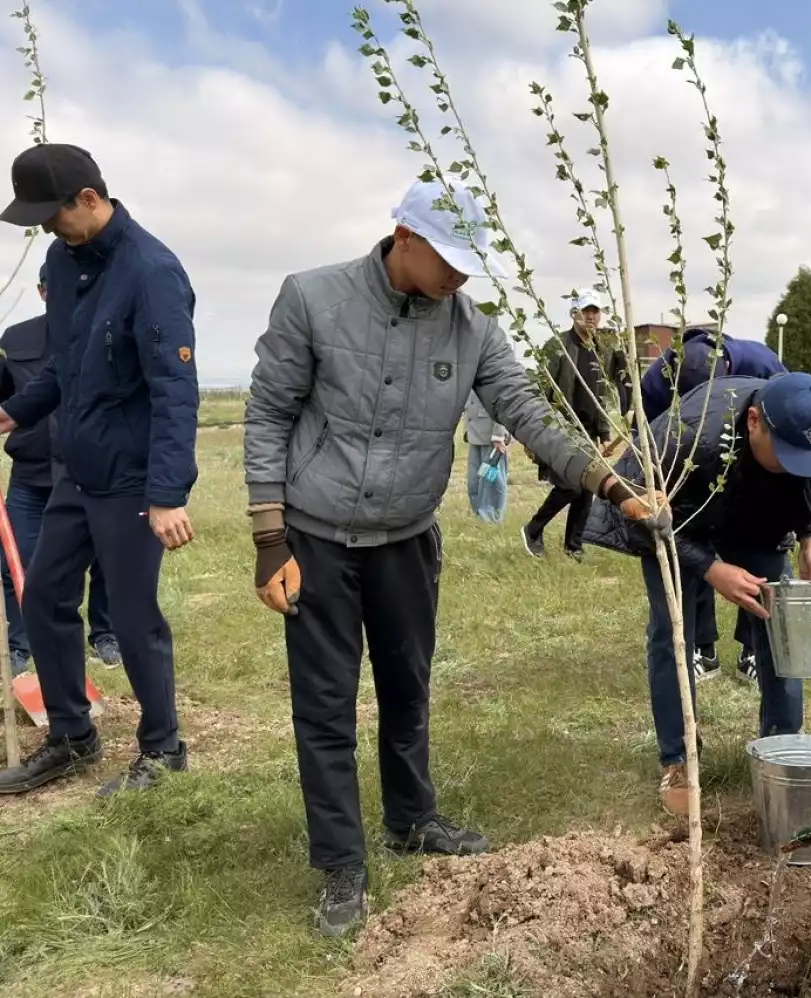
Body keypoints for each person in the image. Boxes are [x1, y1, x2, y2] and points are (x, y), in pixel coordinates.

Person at [243, 178, 666, 937]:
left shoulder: (472, 329)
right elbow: (269, 413)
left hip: (407, 539)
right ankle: (341, 865)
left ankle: (412, 819)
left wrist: (608, 482)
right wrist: (270, 536)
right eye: (449, 260)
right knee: (327, 707)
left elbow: (528, 412)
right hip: (316, 535)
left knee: (408, 689)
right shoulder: (311, 299)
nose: (459, 278)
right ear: (405, 236)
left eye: (471, 265)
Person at [0, 143, 199, 798]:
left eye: (50, 215)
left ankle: (163, 749)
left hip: (134, 481)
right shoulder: (63, 259)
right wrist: (13, 414)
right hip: (76, 473)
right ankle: (71, 735)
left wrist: (169, 494)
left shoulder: (152, 272)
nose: (44, 231)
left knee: (135, 617)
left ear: (88, 198)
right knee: (44, 594)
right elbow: (62, 362)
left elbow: (175, 389)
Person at [584, 372, 811, 815]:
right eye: (787, 455)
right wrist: (711, 567)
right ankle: (679, 758)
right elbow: (637, 517)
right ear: (754, 421)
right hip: (673, 518)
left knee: (779, 626)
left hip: (755, 516)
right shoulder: (684, 435)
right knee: (671, 633)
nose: (798, 464)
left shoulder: (805, 425)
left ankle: (781, 749)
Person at [640, 325, 788, 684]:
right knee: (694, 552)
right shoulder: (654, 383)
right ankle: (702, 648)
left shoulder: (764, 364)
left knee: (758, 555)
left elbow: (792, 427)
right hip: (690, 471)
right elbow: (649, 447)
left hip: (754, 476)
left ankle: (753, 648)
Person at [0, 266, 120, 676]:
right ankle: (22, 644)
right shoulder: (14, 341)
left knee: (106, 558)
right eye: (57, 286)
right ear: (42, 291)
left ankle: (105, 635)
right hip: (31, 478)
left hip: (91, 473)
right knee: (20, 561)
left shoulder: (106, 334)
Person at [520, 290, 630, 562]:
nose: (591, 316)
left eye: (596, 311)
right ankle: (533, 529)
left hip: (589, 432)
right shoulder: (557, 346)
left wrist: (604, 434)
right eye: (586, 311)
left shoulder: (600, 350)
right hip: (560, 429)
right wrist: (530, 435)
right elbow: (539, 391)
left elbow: (601, 395)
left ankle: (574, 546)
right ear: (574, 314)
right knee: (571, 486)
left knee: (587, 489)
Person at [462, 390, 509, 523]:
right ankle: (480, 517)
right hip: (474, 434)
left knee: (491, 481)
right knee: (474, 481)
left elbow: (504, 400)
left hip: (493, 438)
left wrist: (499, 434)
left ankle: (492, 519)